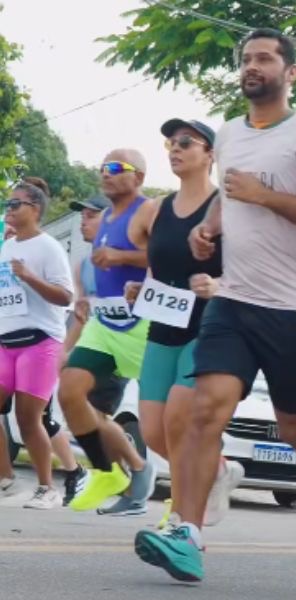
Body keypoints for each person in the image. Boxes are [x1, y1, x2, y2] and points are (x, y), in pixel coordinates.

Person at [135, 29, 296, 582]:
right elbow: (229, 200)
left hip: (295, 308)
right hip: (232, 298)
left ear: (291, 71)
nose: (251, 66)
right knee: (206, 411)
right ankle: (187, 533)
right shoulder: (229, 133)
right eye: (245, 59)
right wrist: (208, 231)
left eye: (264, 58)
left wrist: (265, 196)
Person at [125, 118, 232, 528]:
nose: (175, 148)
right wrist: (141, 288)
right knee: (153, 433)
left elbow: (251, 267)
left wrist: (219, 284)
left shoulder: (226, 207)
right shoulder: (156, 209)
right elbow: (158, 268)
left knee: (178, 420)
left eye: (186, 142)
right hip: (163, 326)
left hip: (208, 327)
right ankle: (218, 468)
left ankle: (185, 521)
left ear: (211, 155)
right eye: (170, 141)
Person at [58, 149, 155, 513]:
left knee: (162, 424)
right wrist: (85, 305)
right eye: (103, 168)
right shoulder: (105, 222)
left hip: (146, 325)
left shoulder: (147, 210)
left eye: (116, 168)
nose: (106, 173)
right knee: (70, 390)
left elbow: (169, 255)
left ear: (139, 177)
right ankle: (106, 472)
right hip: (106, 324)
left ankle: (189, 495)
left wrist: (123, 257)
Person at [0, 212, 88, 506]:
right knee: (34, 419)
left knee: (32, 418)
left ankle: (51, 485)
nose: (9, 212)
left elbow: (67, 297)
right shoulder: (8, 247)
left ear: (35, 209)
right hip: (6, 341)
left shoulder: (48, 247)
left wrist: (28, 276)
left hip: (40, 342)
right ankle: (7, 480)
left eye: (16, 204)